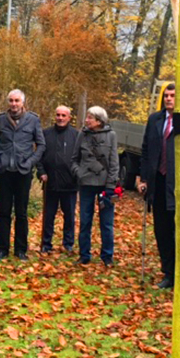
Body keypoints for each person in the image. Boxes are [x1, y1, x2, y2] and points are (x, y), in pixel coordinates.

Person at [136, 84, 180, 291]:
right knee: (162, 232)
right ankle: (169, 274)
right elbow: (146, 150)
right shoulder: (155, 119)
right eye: (166, 95)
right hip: (158, 183)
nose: (169, 99)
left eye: (173, 95)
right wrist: (143, 178)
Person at [0, 89, 45, 260]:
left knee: (21, 212)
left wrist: (30, 162)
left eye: (17, 101)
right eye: (11, 101)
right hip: (5, 172)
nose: (14, 104)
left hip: (23, 173)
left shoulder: (33, 120)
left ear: (22, 102)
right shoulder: (1, 120)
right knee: (4, 211)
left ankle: (21, 249)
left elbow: (41, 145)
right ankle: (2, 249)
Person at [71, 106, 119, 266]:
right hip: (86, 184)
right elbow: (74, 159)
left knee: (106, 223)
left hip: (105, 186)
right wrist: (79, 173)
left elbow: (114, 162)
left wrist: (111, 185)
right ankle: (84, 255)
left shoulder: (111, 135)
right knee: (85, 221)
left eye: (90, 118)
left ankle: (107, 256)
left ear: (99, 120)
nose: (87, 120)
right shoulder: (82, 135)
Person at [37, 105, 80, 253]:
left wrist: (77, 175)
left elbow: (80, 158)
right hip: (50, 183)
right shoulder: (45, 134)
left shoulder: (76, 135)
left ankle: (68, 244)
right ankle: (46, 243)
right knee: (48, 216)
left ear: (69, 118)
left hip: (70, 184)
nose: (60, 118)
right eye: (58, 115)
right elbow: (39, 156)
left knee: (69, 216)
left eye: (63, 115)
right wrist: (41, 172)